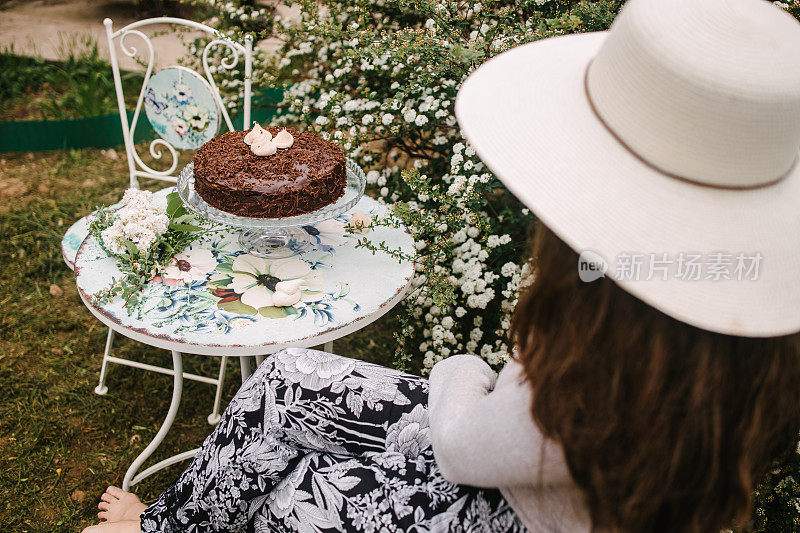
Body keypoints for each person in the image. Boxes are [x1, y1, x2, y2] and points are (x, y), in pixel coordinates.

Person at [82, 0, 800, 530]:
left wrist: (463, 368)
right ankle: (163, 525)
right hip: (521, 473)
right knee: (288, 377)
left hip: (508, 506)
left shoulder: (612, 363)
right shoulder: (740, 333)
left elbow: (464, 444)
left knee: (300, 487)